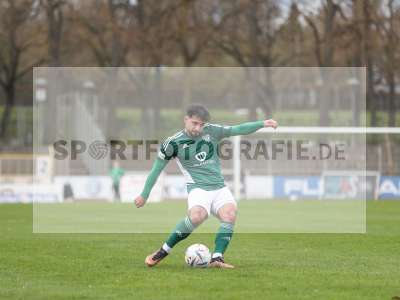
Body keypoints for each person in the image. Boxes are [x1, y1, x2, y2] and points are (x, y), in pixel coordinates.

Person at [134, 104, 277, 268]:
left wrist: (262, 124)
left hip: (219, 187)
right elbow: (156, 169)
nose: (198, 128)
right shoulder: (172, 143)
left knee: (229, 214)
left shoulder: (212, 131)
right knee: (197, 216)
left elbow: (237, 129)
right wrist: (144, 194)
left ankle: (217, 258)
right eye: (194, 123)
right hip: (198, 188)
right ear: (186, 119)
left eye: (201, 124)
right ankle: (163, 251)